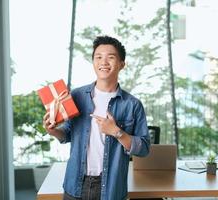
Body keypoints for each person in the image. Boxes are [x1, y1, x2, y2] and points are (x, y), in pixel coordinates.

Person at [43, 35, 150, 200]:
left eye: (111, 57)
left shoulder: (132, 105)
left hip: (111, 188)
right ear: (93, 62)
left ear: (122, 64)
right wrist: (53, 131)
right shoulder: (77, 96)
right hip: (75, 184)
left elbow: (144, 149)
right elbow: (67, 134)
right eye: (98, 57)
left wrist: (117, 132)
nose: (104, 62)